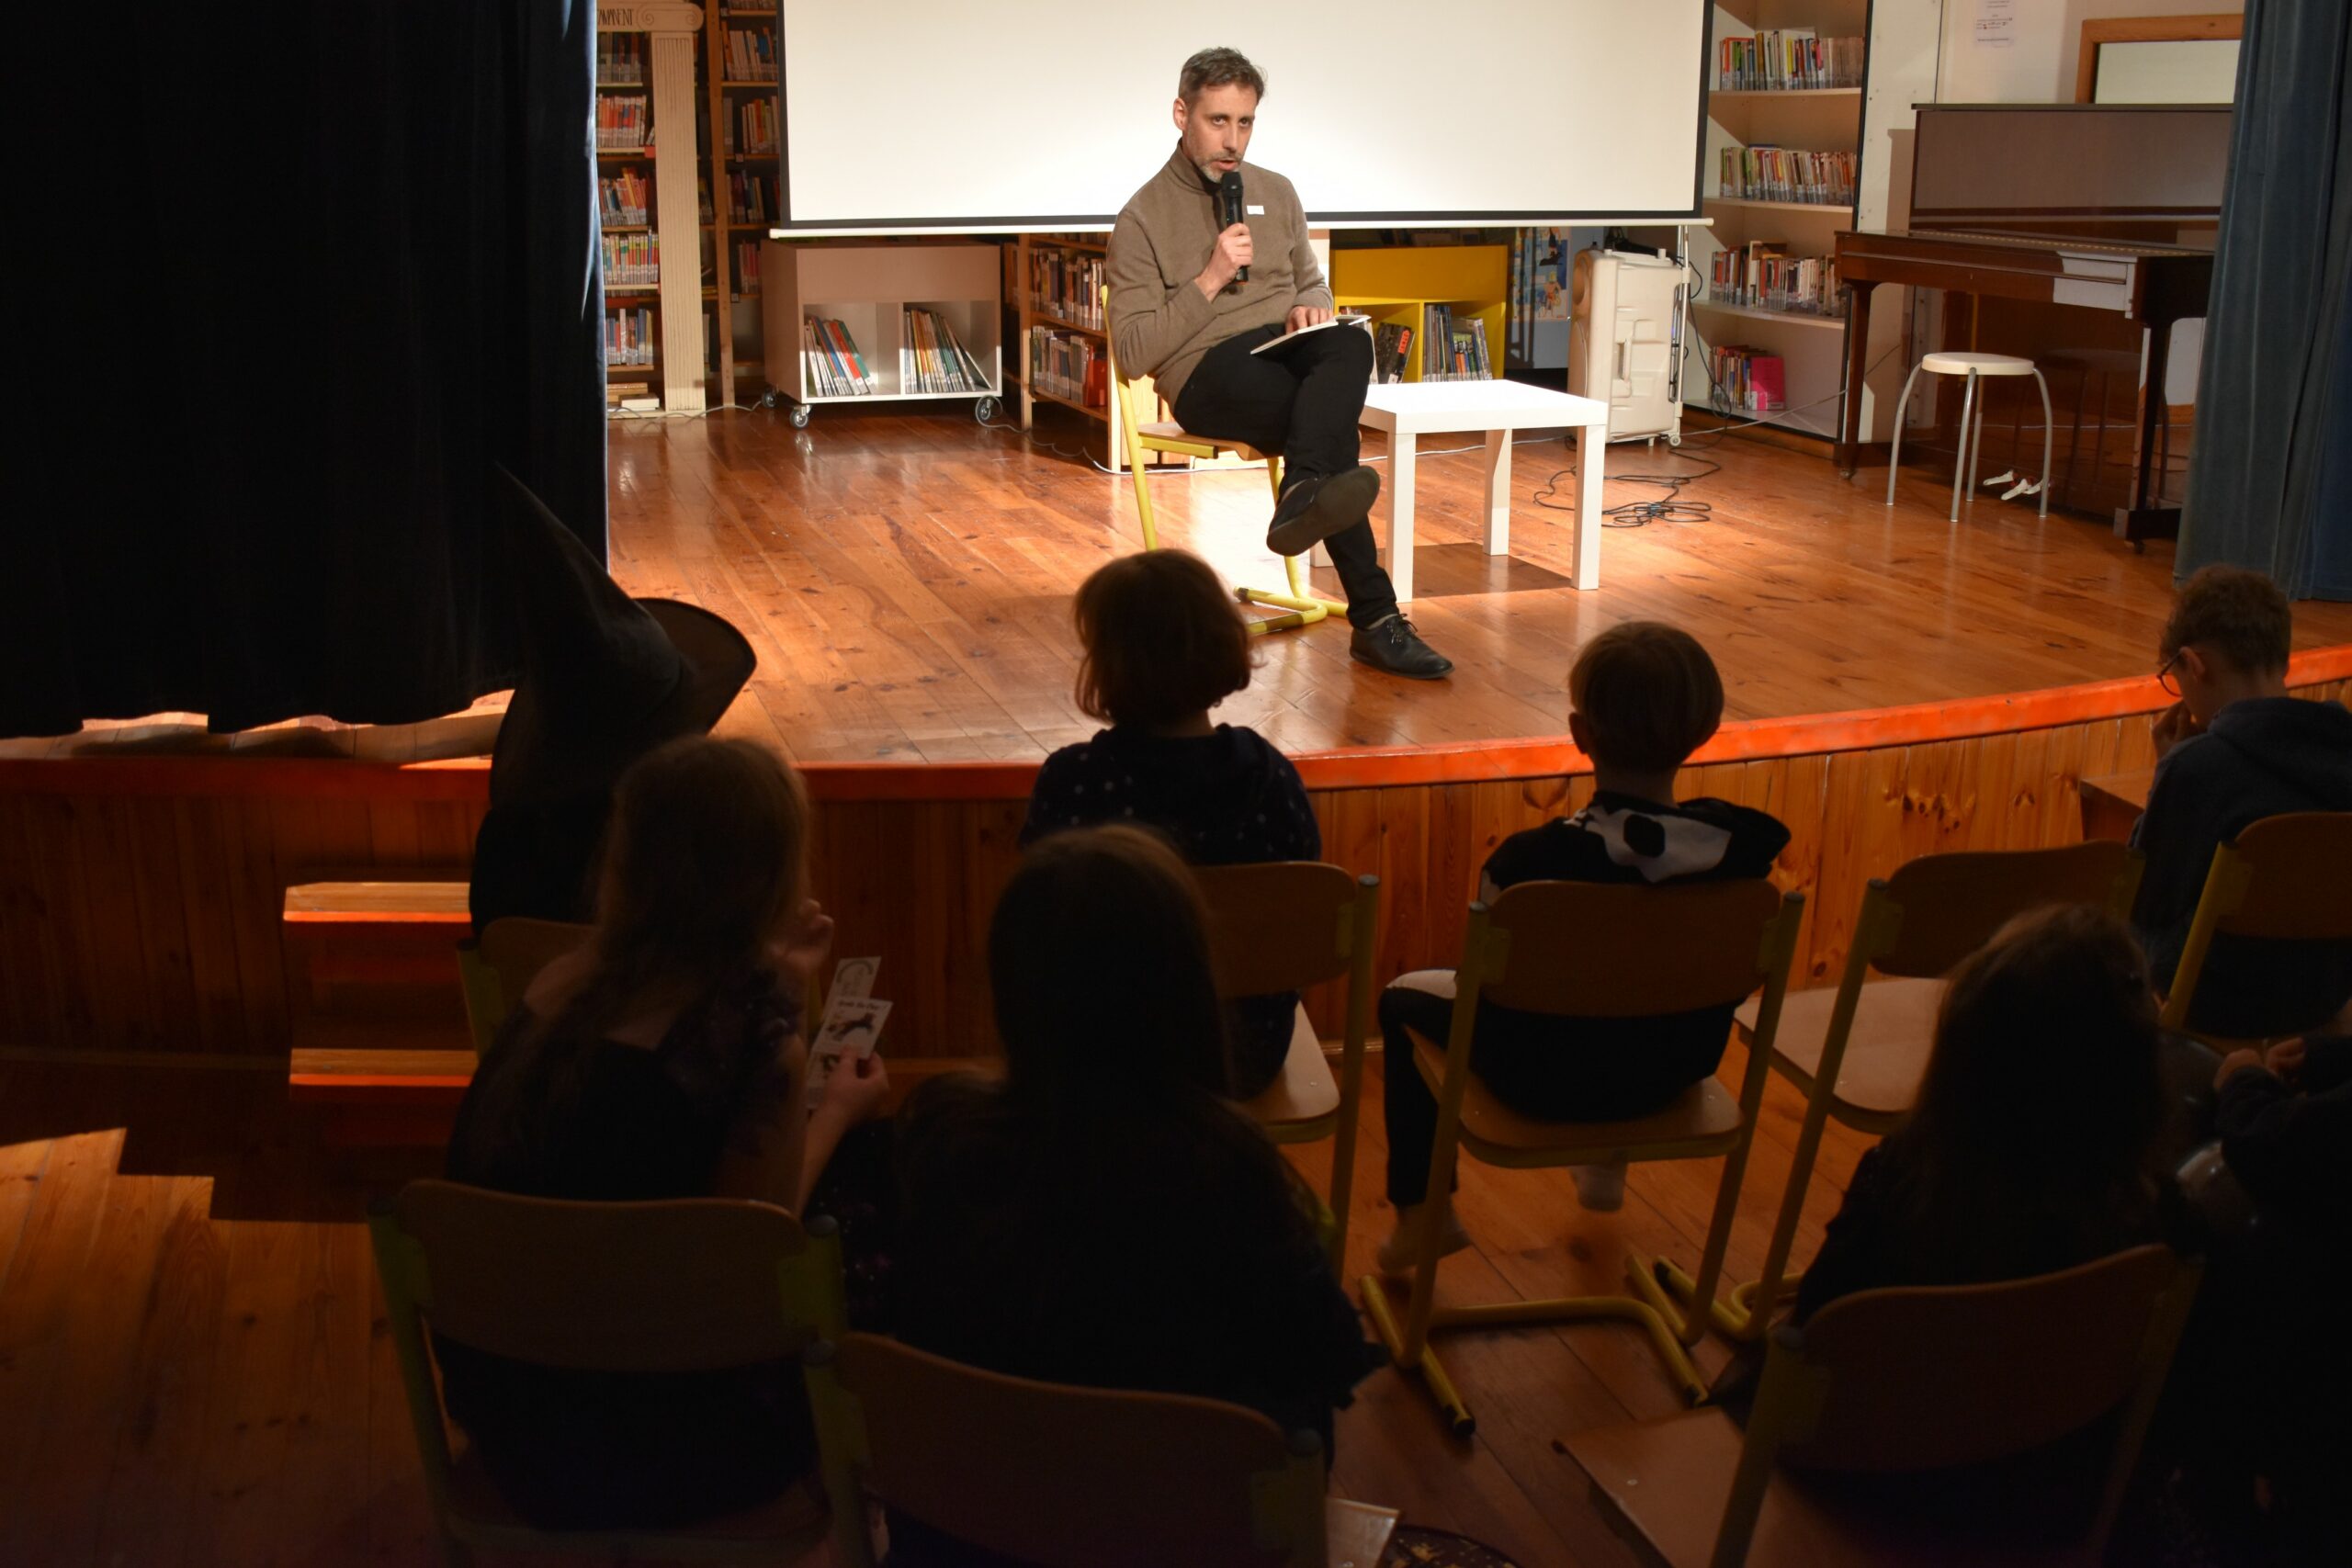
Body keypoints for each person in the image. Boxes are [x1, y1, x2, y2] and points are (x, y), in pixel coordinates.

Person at [889, 826, 1380, 1566]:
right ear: (1189, 988)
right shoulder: (1227, 1167)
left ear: (1012, 990)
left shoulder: (942, 1141)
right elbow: (1321, 1366)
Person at [436, 736, 891, 1529]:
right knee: (864, 1186)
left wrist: (773, 981)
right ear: (774, 873)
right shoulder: (753, 1046)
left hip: (515, 1419)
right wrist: (837, 1108)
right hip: (668, 1445)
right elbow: (760, 1242)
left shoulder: (553, 987)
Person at [1375, 622, 1790, 1272]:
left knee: (1402, 999)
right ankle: (1605, 1161)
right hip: (1673, 1070)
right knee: (1632, 986)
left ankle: (1424, 1216)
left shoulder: (1528, 867)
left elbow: (1482, 986)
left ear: (1579, 733)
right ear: (1707, 730)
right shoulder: (1741, 861)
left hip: (1539, 1078)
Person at [1105, 46, 1452, 682]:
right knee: (1328, 434)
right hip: (1206, 370)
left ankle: (1304, 489)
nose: (1232, 141)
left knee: (1350, 342)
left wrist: (1311, 307)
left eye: (1245, 122)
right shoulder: (1142, 217)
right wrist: (1210, 278)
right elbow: (1132, 354)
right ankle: (1375, 617)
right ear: (1181, 114)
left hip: (1282, 350)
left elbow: (1310, 281)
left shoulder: (1275, 190)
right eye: (1217, 121)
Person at [1792, 906, 2190, 1323]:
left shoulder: (1896, 1190)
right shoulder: (2158, 1220)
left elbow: (1810, 1330)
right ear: (2137, 1074)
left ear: (1961, 1058)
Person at [1020, 548, 1318, 1098]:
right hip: (1246, 1054)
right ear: (1222, 645)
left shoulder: (1075, 782)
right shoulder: (1271, 777)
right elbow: (1304, 907)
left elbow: (1034, 932)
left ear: (1106, 665)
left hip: (1105, 1062)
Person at [2131, 564, 2352, 1037]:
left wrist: (2165, 778)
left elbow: (2142, 899)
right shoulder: (2343, 747)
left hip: (2218, 1001)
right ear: (2282, 660)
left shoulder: (2198, 769)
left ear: (2195, 665)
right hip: (2325, 992)